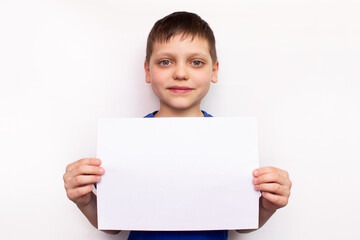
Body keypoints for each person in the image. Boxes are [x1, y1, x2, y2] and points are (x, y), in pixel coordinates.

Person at [63, 11, 292, 240]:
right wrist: (85, 201)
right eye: (165, 62)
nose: (181, 73)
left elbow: (240, 223)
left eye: (196, 62)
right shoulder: (127, 142)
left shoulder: (229, 143)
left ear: (214, 70)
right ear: (147, 71)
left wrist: (267, 205)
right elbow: (114, 225)